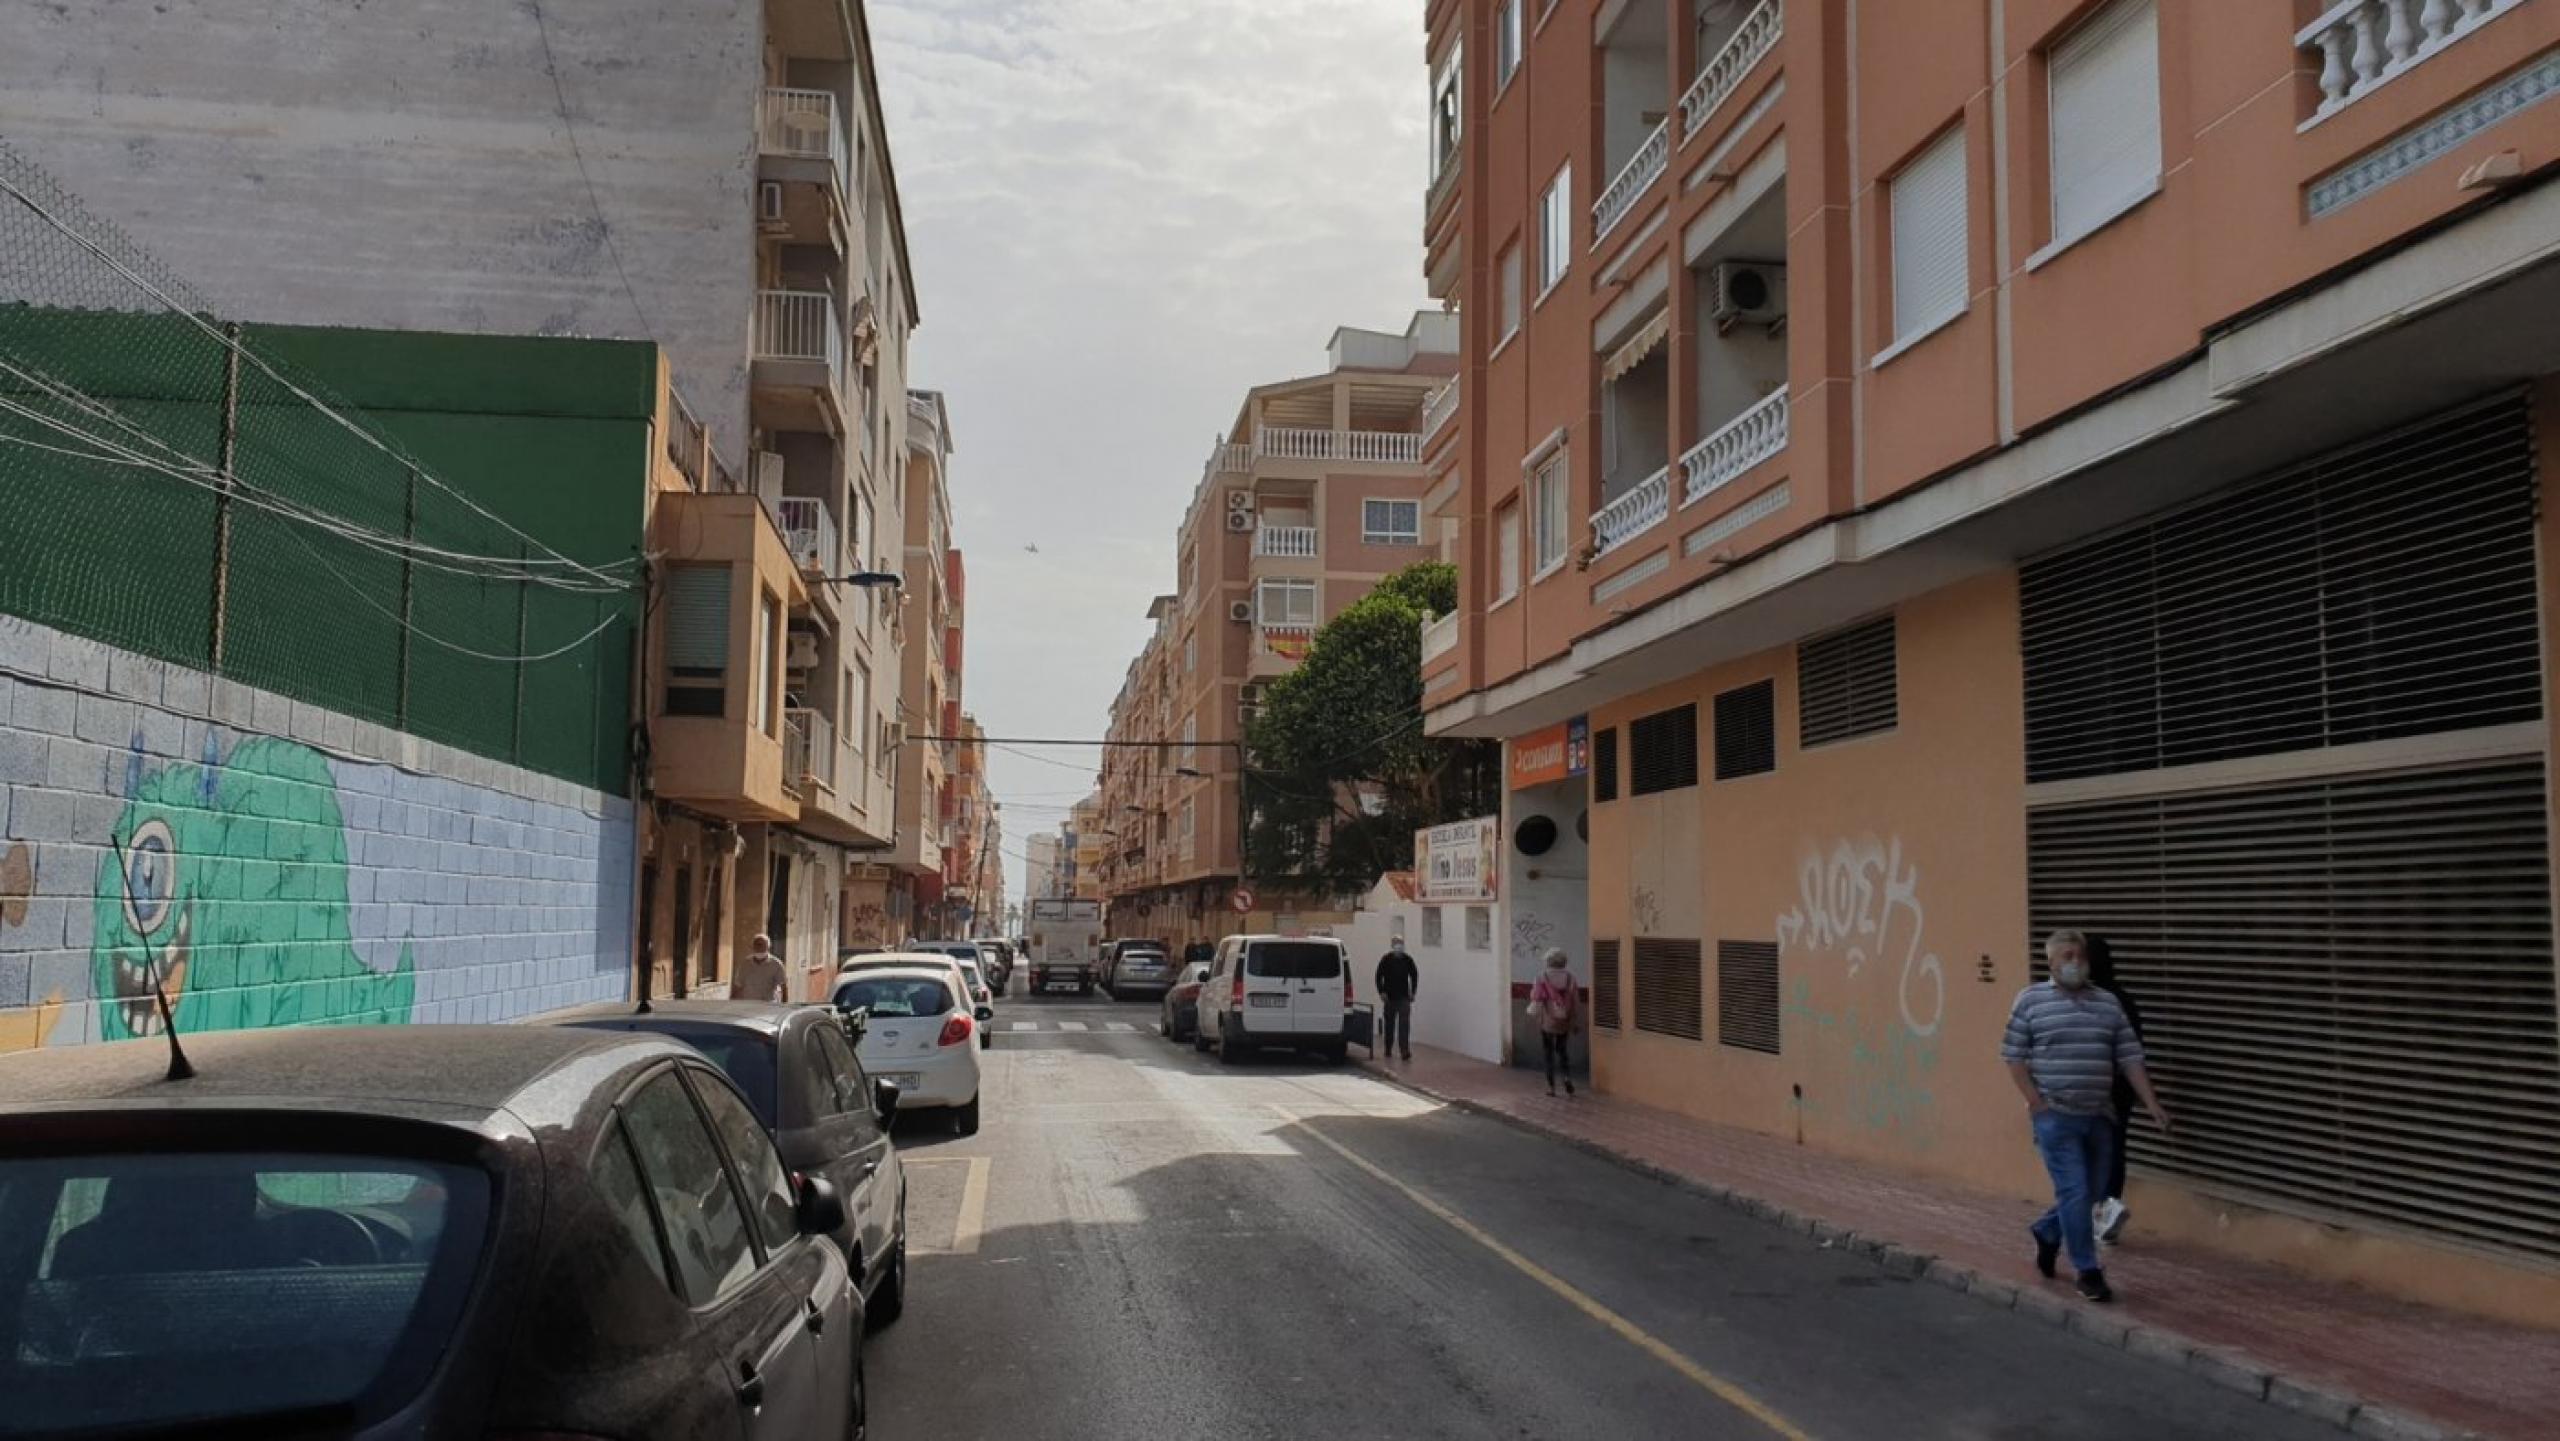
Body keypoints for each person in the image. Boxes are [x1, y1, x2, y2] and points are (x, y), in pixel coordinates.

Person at [2001, 929, 2172, 1303]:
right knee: (2075, 1189)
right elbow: (2013, 1055)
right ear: (2051, 962)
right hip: (2055, 1116)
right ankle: (2087, 1270)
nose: (2075, 962)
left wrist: (2152, 1103)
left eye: (2079, 956)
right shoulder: (2030, 1001)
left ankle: (2048, 1230)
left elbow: (2130, 1057)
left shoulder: (2108, 1003)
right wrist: (2034, 1101)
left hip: (2099, 1115)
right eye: (2066, 956)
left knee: (2094, 1192)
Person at [2087, 935, 2146, 1245]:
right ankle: (2105, 1212)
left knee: (2087, 1155)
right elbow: (2135, 1050)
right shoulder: (2122, 997)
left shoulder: (2095, 1000)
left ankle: (2097, 1214)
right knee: (2113, 1152)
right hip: (2119, 1091)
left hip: (2094, 1090)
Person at [1528, 947, 1578, 1097]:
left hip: (1547, 1021)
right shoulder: (1571, 978)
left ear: (1548, 961)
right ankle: (1567, 1078)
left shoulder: (1541, 977)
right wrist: (1574, 1021)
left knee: (1548, 1053)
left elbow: (1536, 997)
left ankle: (1551, 1087)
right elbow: (1576, 1001)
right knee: (1562, 1051)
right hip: (1564, 1020)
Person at [1374, 938, 1419, 1061]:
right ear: (1392, 945)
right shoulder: (1386, 959)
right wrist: (1381, 991)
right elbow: (1378, 976)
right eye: (1396, 944)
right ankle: (1388, 1047)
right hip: (1389, 998)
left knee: (1404, 1024)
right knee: (1389, 1024)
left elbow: (1414, 974)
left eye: (1401, 944)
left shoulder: (1407, 959)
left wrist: (1413, 991)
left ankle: (1404, 1050)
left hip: (1404, 997)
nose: (1399, 947)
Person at [732, 932, 787, 1002]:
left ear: (768, 947)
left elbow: (783, 986)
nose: (759, 947)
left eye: (761, 945)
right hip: (748, 1004)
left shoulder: (776, 964)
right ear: (753, 946)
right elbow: (738, 985)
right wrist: (732, 1001)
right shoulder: (745, 964)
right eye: (756, 944)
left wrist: (785, 1005)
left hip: (768, 1005)